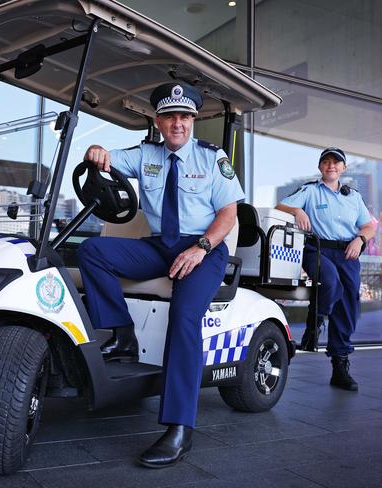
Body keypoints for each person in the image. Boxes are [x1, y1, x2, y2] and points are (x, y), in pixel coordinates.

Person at [77, 81, 244, 468]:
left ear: (193, 121)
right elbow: (105, 158)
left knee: (184, 319)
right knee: (93, 251)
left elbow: (228, 215)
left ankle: (179, 427)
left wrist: (199, 249)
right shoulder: (146, 155)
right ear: (158, 120)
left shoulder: (211, 158)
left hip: (205, 248)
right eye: (170, 116)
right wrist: (95, 151)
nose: (178, 124)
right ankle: (122, 334)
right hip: (160, 245)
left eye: (185, 117)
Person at [276, 147, 375, 391]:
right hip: (317, 249)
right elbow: (281, 207)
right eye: (326, 162)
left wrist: (360, 240)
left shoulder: (352, 196)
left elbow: (368, 226)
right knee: (330, 282)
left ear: (344, 168)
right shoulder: (310, 190)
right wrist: (298, 210)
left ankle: (340, 366)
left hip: (348, 252)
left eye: (336, 162)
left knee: (347, 305)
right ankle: (315, 320)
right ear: (321, 167)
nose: (331, 166)